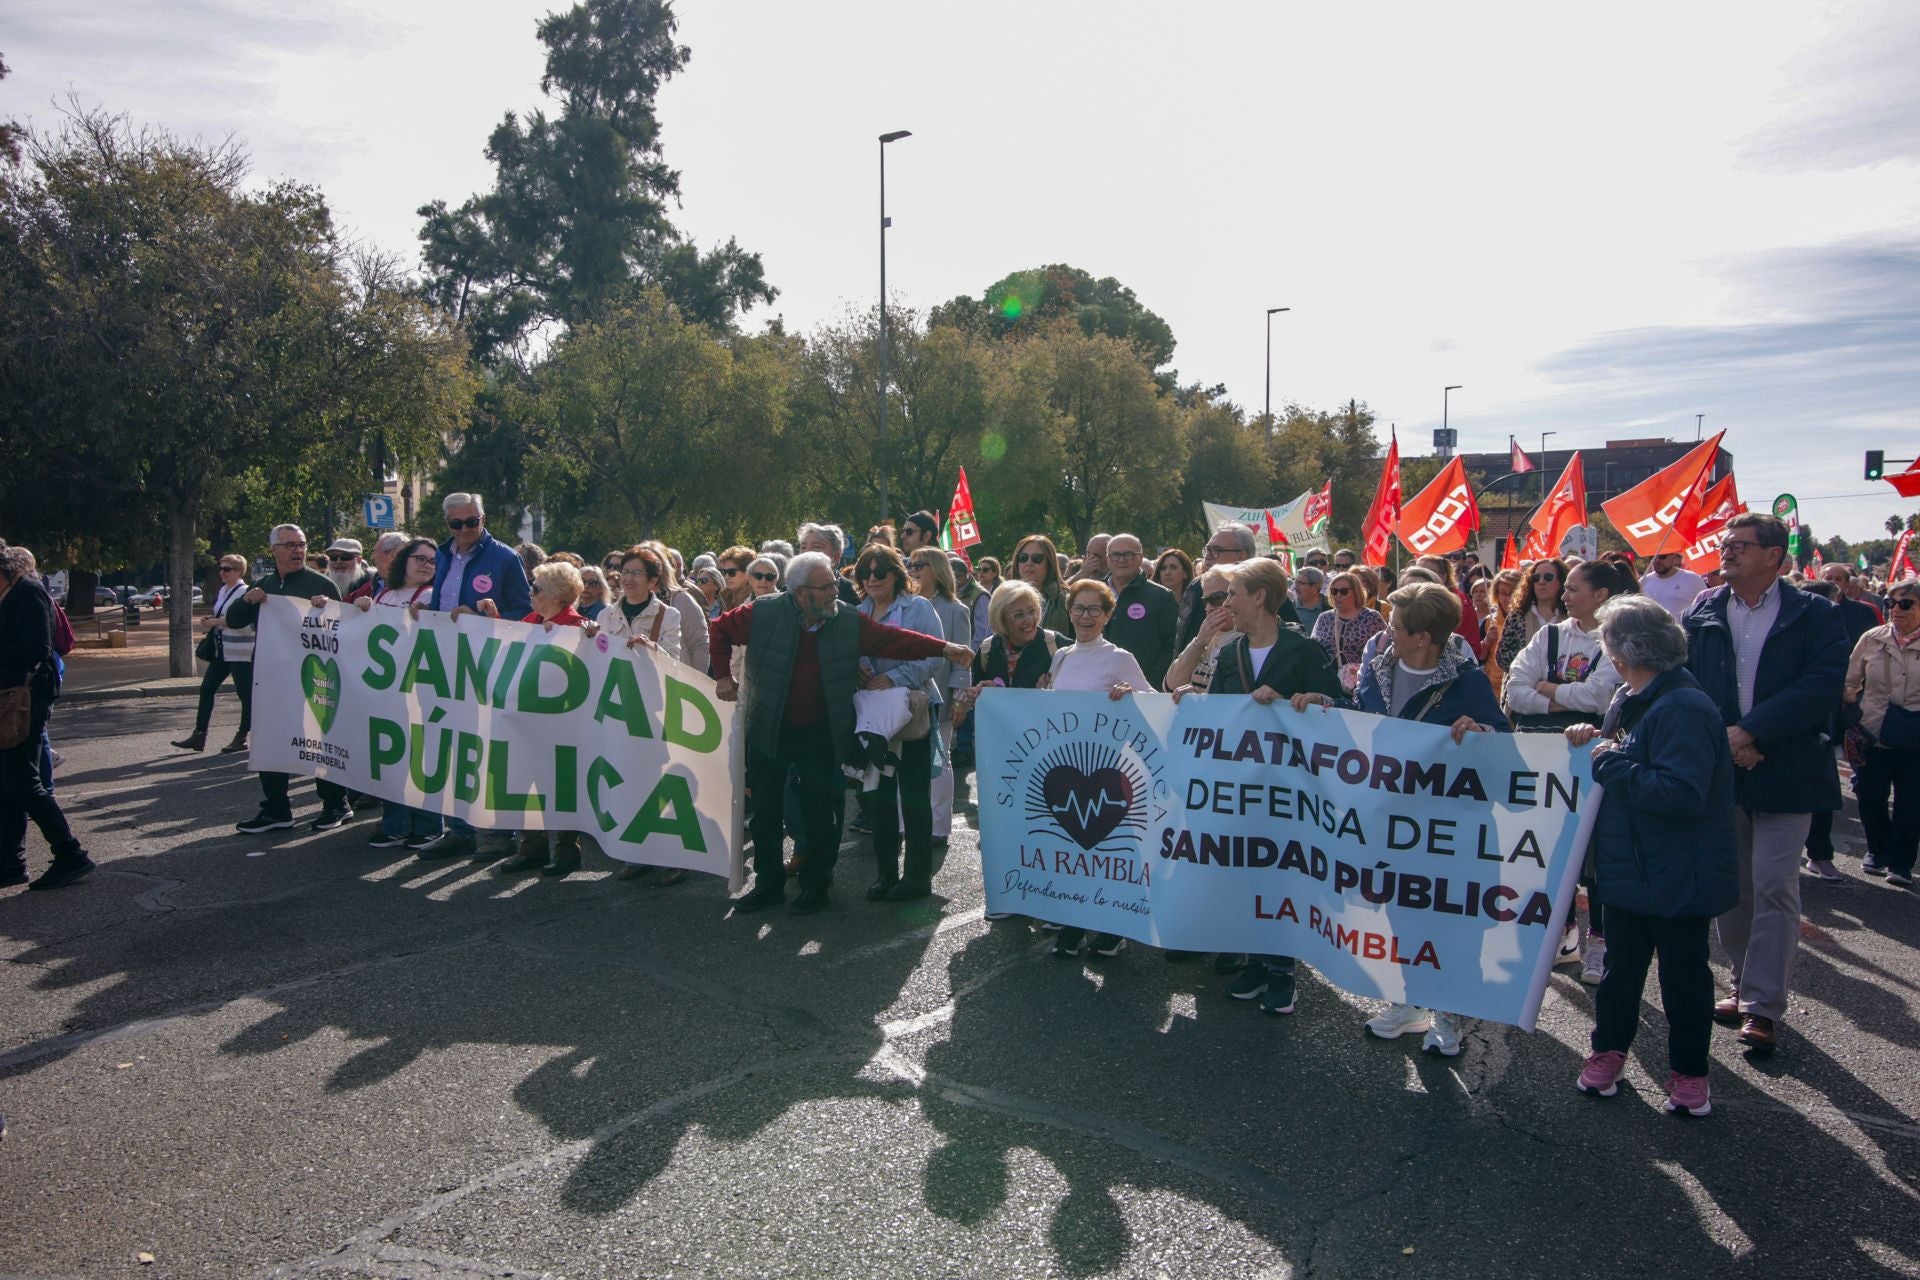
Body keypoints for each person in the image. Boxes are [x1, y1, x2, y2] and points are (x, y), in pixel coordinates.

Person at [1296, 581, 1508, 1055]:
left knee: (1451, 920)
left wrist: (1480, 732)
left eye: (1396, 625)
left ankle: (1449, 1013)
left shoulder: (1467, 681)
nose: (1386, 631)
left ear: (1423, 637)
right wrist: (1326, 707)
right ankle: (1410, 1002)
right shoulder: (1377, 670)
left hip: (1450, 826)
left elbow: (1503, 741)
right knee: (1402, 912)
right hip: (1392, 819)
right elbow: (1361, 717)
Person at [711, 552, 972, 915]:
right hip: (768, 727)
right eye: (827, 586)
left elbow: (894, 640)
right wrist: (723, 675)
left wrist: (943, 648)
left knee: (822, 811)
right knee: (766, 812)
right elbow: (719, 629)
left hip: (821, 731)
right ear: (801, 592)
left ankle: (816, 885)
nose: (837, 590)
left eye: (835, 583)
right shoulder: (763, 612)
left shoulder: (846, 619)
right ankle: (768, 885)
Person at [1682, 512, 1848, 1053]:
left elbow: (1820, 687)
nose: (1727, 551)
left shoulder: (1815, 614)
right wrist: (1727, 739)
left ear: (1774, 556)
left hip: (1788, 768)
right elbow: (1687, 683)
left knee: (1776, 884)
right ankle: (1741, 982)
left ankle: (1763, 1005)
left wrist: (1752, 732)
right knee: (1733, 886)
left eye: (1740, 545)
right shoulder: (1703, 609)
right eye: (1725, 543)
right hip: (1723, 769)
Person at [1566, 595, 1736, 1116]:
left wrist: (1608, 760)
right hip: (1631, 865)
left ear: (1622, 652)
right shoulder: (1634, 695)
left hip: (1679, 870)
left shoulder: (1682, 707)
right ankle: (1608, 1053)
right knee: (1620, 973)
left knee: (1683, 979)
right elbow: (1623, 750)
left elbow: (1681, 793)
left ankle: (1690, 1075)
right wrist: (1592, 738)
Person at [1192, 559, 1342, 1014]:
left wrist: (1310, 701)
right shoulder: (1231, 652)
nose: (1226, 602)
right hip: (1240, 787)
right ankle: (1256, 962)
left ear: (1259, 597)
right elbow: (1215, 714)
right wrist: (1187, 702)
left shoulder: (1303, 650)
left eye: (1233, 593)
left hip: (1290, 790)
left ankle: (1283, 972)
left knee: (1281, 877)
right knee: (1245, 873)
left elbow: (1341, 705)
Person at [1502, 558, 1635, 982]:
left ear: (1601, 595)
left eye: (1573, 588)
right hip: (1542, 758)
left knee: (1592, 852)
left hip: (1589, 761)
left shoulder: (1617, 640)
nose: (1564, 594)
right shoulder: (1550, 635)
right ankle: (1563, 932)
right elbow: (1514, 692)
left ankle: (1600, 940)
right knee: (1548, 848)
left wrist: (1545, 688)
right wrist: (1563, 698)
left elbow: (1600, 698)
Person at [416, 494, 532, 858]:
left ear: (484, 519)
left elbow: (525, 613)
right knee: (452, 747)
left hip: (488, 666)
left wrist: (481, 618)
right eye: (457, 524)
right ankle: (460, 829)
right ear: (447, 524)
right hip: (447, 664)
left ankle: (498, 833)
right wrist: (425, 608)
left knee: (489, 749)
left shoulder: (505, 558)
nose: (465, 529)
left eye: (472, 522)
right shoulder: (442, 555)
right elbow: (441, 604)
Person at [226, 526, 356, 834]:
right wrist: (247, 600)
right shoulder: (265, 585)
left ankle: (336, 804)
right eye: (289, 545)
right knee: (271, 740)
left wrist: (327, 608)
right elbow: (233, 620)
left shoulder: (320, 584)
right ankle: (276, 810)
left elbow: (341, 630)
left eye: (302, 544)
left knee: (319, 740)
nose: (298, 550)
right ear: (274, 550)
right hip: (273, 679)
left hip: (313, 677)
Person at [1046, 579, 1150, 959]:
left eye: (1094, 609)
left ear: (1108, 615)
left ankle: (1114, 927)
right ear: (1069, 612)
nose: (1085, 616)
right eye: (1078, 608)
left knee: (1110, 850)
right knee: (1073, 849)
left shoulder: (1119, 657)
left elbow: (1152, 701)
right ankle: (1074, 923)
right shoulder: (1061, 656)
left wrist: (1133, 696)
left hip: (1108, 770)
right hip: (1066, 767)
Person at [853, 545, 950, 901]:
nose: (872, 579)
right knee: (878, 797)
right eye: (865, 573)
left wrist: (892, 678)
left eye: (880, 572)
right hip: (873, 714)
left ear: (896, 574)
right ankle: (885, 875)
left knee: (913, 797)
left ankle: (917, 879)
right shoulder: (857, 613)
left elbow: (935, 656)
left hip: (912, 712)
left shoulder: (918, 607)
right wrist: (857, 671)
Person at [0, 544, 93, 890]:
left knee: (23, 781)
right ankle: (10, 863)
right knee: (8, 783)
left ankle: (70, 854)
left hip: (26, 697)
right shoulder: (10, 592)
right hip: (11, 696)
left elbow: (36, 649)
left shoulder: (28, 591)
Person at [346, 537, 445, 850]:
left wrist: (429, 614)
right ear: (405, 559)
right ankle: (396, 824)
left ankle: (429, 825)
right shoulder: (385, 593)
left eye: (433, 561)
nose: (427, 565)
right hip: (386, 693)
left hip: (419, 689)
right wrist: (362, 610)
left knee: (421, 758)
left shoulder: (432, 595)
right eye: (421, 558)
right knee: (390, 758)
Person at [495, 561, 591, 877]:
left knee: (559, 788)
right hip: (527, 722)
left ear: (556, 596)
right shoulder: (531, 621)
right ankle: (531, 847)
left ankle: (566, 852)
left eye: (535, 589)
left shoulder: (579, 627)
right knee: (525, 783)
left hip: (562, 725)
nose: (530, 594)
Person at [1843, 576, 1920, 887]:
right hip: (1872, 731)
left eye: (1905, 604)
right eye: (1890, 602)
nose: (1895, 609)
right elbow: (1850, 680)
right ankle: (1877, 848)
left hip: (1915, 736)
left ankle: (1901, 863)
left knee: (1911, 803)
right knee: (1870, 795)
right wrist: (1850, 710)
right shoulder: (1873, 638)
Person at [909, 548, 973, 843]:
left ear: (936, 568)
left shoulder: (955, 609)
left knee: (939, 759)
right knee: (905, 762)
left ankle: (938, 827)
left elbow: (964, 660)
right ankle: (904, 824)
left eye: (919, 565)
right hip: (908, 693)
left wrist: (960, 699)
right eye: (909, 564)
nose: (912, 569)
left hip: (941, 696)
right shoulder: (906, 604)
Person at [172, 554, 255, 754]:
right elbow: (225, 617)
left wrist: (217, 622)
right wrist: (212, 620)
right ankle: (199, 735)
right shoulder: (224, 590)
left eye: (227, 569)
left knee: (245, 695)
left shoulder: (245, 592)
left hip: (241, 652)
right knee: (207, 689)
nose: (222, 573)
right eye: (221, 569)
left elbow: (247, 625)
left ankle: (242, 736)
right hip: (222, 650)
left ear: (239, 571)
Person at [1100, 533, 1179, 690]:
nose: (1121, 560)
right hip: (1097, 687)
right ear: (1108, 559)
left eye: (1128, 554)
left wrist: (1146, 684)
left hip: (1143, 691)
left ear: (1141, 558)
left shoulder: (1161, 597)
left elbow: (1172, 647)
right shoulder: (1093, 593)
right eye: (1116, 555)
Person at [1178, 523, 1256, 649]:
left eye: (1216, 550)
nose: (1208, 556)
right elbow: (1183, 641)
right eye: (1207, 550)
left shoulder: (1267, 588)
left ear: (1242, 556)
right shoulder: (1196, 588)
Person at [1310, 570, 1386, 693]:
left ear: (1356, 593)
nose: (1338, 595)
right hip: (1327, 684)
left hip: (1361, 685)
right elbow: (1314, 649)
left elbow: (1385, 650)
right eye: (1334, 591)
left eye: (1343, 591)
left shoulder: (1372, 617)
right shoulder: (1324, 618)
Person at [640, 538, 709, 674]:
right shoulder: (624, 604)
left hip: (675, 680)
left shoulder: (681, 600)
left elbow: (700, 646)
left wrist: (693, 682)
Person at [1493, 558, 1567, 677]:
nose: (1541, 582)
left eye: (1548, 577)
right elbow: (1502, 660)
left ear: (1561, 581)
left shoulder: (1571, 617)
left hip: (1561, 687)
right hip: (1521, 685)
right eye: (1536, 578)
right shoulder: (1517, 616)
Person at [1010, 534, 1071, 634]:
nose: (1029, 563)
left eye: (1037, 558)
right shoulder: (1005, 599)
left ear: (1049, 563)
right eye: (1023, 557)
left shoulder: (1067, 600)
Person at [798, 523, 859, 606]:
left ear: (836, 556)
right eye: (803, 547)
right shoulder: (790, 590)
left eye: (817, 547)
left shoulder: (853, 593)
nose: (807, 552)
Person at [1640, 551, 1706, 620]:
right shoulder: (1643, 581)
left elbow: (1707, 607)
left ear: (1673, 557)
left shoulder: (1692, 578)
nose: (1657, 560)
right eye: (1653, 557)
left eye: (1662, 556)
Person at [716, 545, 758, 612]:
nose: (726, 577)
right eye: (724, 572)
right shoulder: (725, 596)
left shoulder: (757, 599)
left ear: (748, 573)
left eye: (731, 572)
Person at [1292, 565, 1329, 635]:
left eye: (1301, 583)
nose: (1295, 587)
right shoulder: (1289, 610)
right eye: (1295, 582)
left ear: (1315, 587)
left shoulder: (1331, 607)